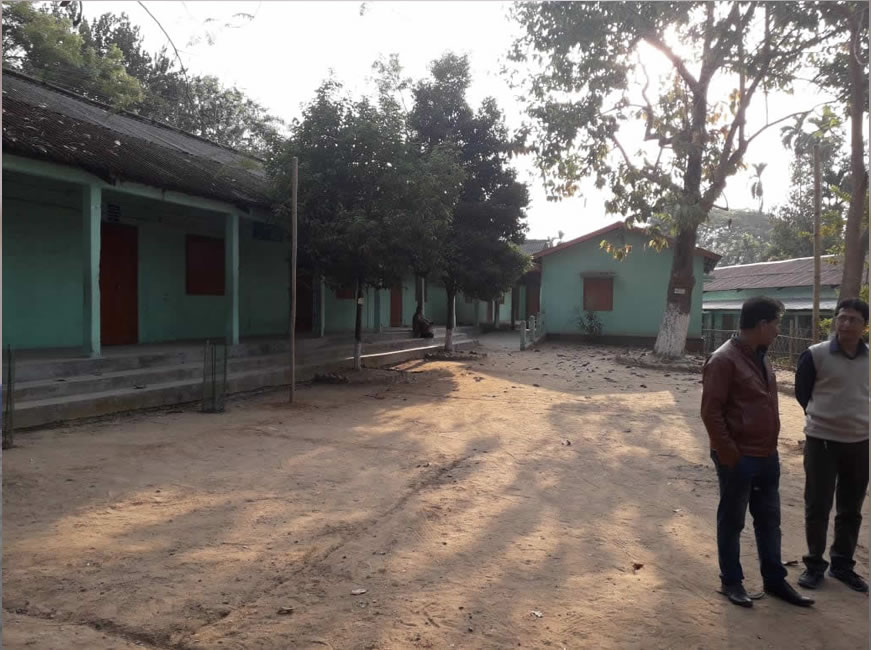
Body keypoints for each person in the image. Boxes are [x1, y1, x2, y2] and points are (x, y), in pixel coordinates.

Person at [701, 296, 813, 608]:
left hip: (766, 454)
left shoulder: (760, 356)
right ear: (762, 324)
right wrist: (729, 454)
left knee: (769, 520)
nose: (778, 331)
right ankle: (732, 581)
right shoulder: (723, 360)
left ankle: (775, 580)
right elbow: (711, 412)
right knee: (732, 520)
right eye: (776, 324)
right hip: (739, 457)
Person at [794, 298, 869, 593]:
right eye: (842, 318)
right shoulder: (816, 354)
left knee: (851, 508)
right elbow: (802, 393)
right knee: (818, 505)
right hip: (821, 441)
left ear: (865, 326)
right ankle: (814, 565)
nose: (846, 324)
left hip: (860, 442)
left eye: (853, 319)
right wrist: (823, 417)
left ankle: (842, 565)